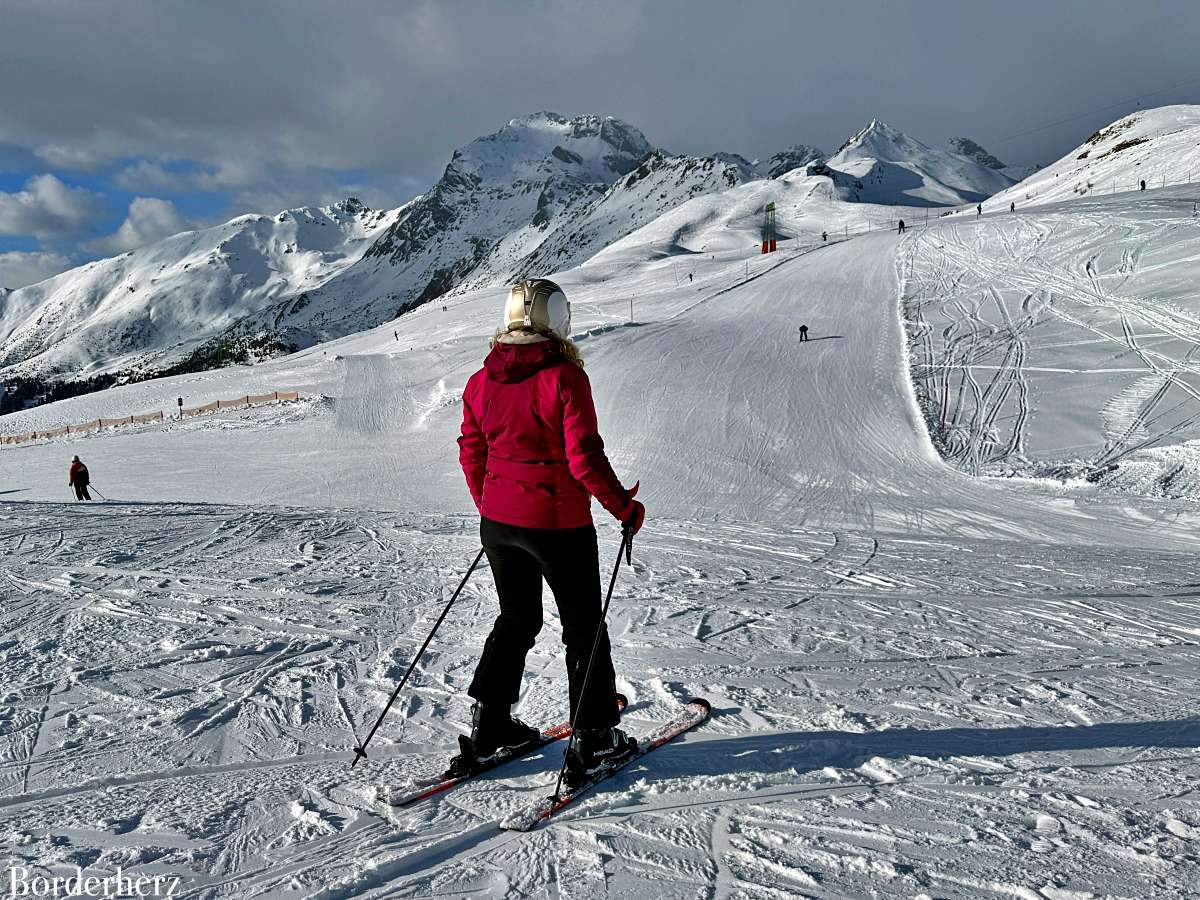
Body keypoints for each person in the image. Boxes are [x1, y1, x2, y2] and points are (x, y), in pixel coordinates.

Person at [454, 278, 644, 787]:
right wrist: (623, 506)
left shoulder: (480, 379)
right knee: (584, 627)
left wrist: (491, 503)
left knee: (516, 619)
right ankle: (596, 736)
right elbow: (583, 458)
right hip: (558, 524)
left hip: (498, 523)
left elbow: (472, 450)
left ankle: (490, 726)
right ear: (557, 319)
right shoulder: (565, 377)